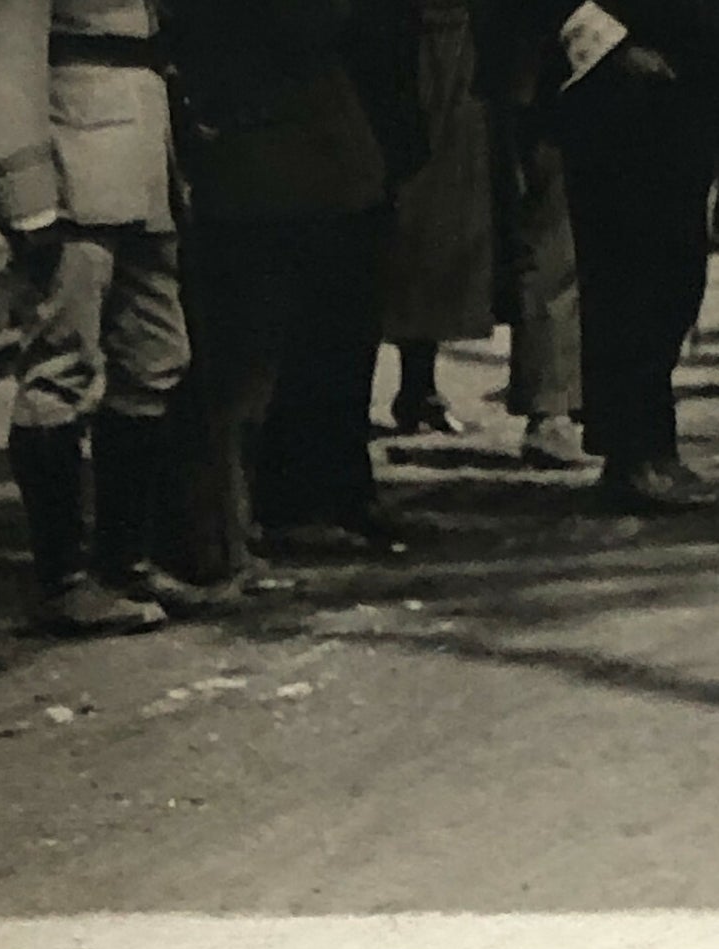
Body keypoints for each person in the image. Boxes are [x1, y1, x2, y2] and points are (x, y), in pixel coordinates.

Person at [0, 0, 194, 635]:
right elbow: (0, 62)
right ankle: (62, 582)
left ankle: (123, 564)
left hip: (146, 165)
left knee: (155, 358)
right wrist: (26, 194)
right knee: (60, 368)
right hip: (71, 177)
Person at [165, 0, 426, 554]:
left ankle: (337, 489)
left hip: (341, 139)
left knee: (344, 327)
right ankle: (267, 510)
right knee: (262, 349)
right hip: (260, 142)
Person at [544, 1, 719, 510]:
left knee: (677, 277)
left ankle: (654, 445)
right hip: (620, 90)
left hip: (689, 81)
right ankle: (629, 453)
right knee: (626, 277)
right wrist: (611, 52)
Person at [383, 0, 496, 436]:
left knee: (434, 232)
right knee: (392, 228)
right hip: (399, 58)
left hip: (455, 63)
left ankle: (418, 384)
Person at [484, 10, 587, 467]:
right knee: (553, 248)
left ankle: (562, 401)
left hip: (553, 80)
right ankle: (551, 409)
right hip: (551, 84)